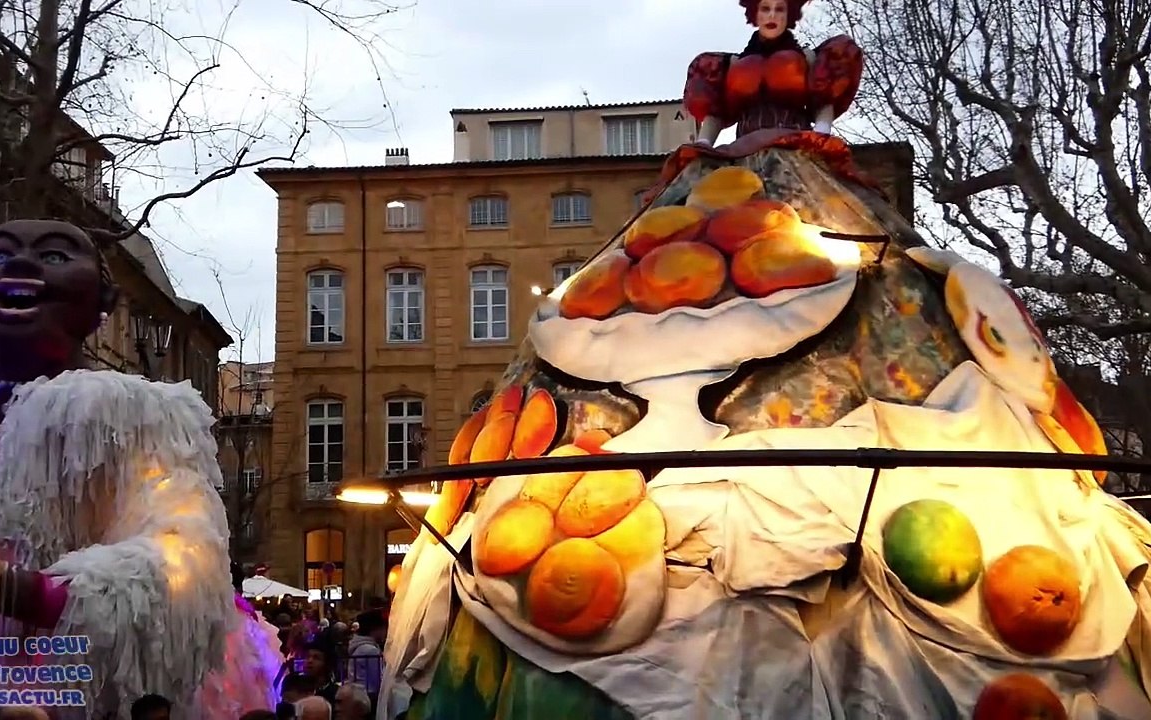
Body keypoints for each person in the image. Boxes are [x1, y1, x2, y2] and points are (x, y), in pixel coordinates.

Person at [379, 0, 1151, 718]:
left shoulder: (814, 78)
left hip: (790, 190)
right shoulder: (722, 75)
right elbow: (710, 128)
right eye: (764, 6)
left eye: (782, 5)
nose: (772, 13)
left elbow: (815, 126)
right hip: (714, 209)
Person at [0, 220, 282, 718]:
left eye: (57, 256)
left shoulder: (134, 414)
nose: (20, 265)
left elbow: (182, 564)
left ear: (104, 300)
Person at [344, 609, 385, 705]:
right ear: (375, 629)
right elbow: (378, 679)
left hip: (358, 693)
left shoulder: (359, 647)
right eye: (383, 628)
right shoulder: (370, 650)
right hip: (369, 696)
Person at [303, 635, 340, 708]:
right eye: (307, 656)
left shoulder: (335, 694)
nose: (309, 661)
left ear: (327, 664)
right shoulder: (298, 689)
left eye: (316, 658)